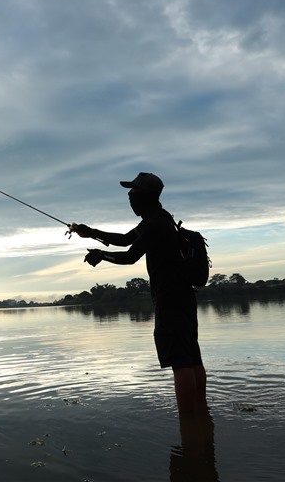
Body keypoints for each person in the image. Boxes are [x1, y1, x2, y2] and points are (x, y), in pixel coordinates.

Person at [71, 172, 208, 418]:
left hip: (171, 298)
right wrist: (90, 232)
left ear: (144, 196)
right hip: (183, 297)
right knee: (191, 356)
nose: (129, 197)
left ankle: (188, 422)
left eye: (133, 192)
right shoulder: (158, 219)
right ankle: (201, 415)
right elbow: (125, 240)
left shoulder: (155, 224)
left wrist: (101, 255)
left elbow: (130, 256)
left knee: (181, 361)